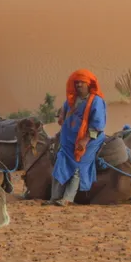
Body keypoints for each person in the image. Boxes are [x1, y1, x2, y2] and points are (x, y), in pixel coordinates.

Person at [49, 69, 106, 206]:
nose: (79, 85)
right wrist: (62, 115)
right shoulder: (71, 99)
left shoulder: (96, 101)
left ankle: (68, 198)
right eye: (77, 82)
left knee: (77, 164)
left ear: (88, 84)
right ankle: (54, 197)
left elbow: (97, 125)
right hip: (68, 139)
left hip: (89, 139)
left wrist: (85, 140)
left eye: (82, 82)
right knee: (60, 162)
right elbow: (64, 110)